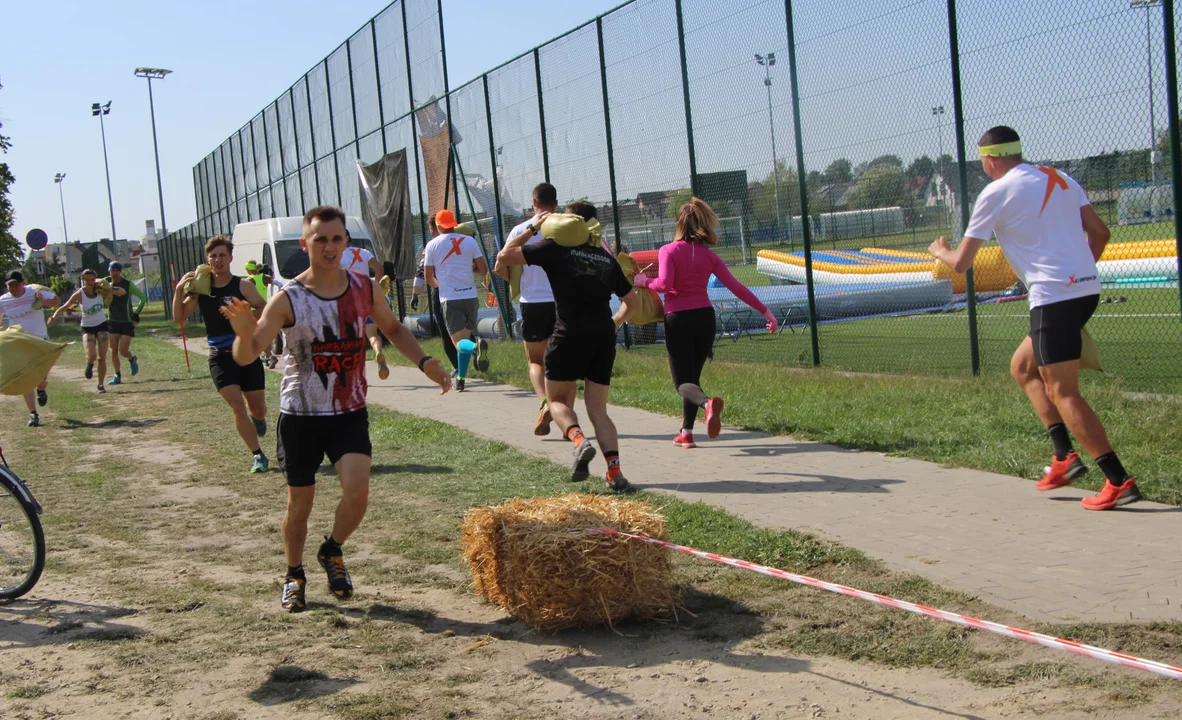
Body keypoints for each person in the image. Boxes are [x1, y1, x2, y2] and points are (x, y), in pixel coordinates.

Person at [218, 205, 451, 613]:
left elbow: (393, 328)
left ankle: (332, 550)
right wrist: (242, 333)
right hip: (300, 416)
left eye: (336, 238)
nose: (329, 246)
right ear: (305, 244)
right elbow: (247, 354)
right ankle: (294, 574)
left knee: (357, 493)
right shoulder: (287, 298)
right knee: (300, 506)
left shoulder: (364, 287)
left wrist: (426, 362)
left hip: (348, 411)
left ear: (347, 242)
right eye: (320, 239)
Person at [928, 126, 1135, 511]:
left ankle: (1118, 479)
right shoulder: (1059, 177)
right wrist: (1077, 273)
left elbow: (962, 263)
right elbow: (1100, 233)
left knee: (1064, 391)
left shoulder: (995, 192)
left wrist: (939, 250)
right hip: (1084, 289)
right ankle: (1064, 458)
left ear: (989, 159)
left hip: (1054, 297)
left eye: (982, 161)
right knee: (1023, 367)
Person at [495, 213, 640, 494]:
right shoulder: (603, 256)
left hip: (567, 335)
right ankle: (616, 472)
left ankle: (578, 441)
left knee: (557, 400)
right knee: (599, 410)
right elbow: (631, 302)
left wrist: (533, 228)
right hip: (602, 336)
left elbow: (505, 256)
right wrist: (615, 323)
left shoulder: (552, 249)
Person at [618, 198, 778, 449]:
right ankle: (687, 432)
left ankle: (707, 405)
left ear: (679, 224)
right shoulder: (709, 257)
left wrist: (642, 281)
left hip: (678, 319)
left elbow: (665, 285)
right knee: (692, 377)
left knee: (682, 383)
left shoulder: (668, 250)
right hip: (705, 318)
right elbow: (737, 287)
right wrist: (767, 311)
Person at [172, 235, 271, 474]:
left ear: (230, 258)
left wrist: (247, 320)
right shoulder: (200, 290)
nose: (218, 260)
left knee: (257, 408)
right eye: (213, 256)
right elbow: (179, 317)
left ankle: (258, 418)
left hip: (246, 353)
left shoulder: (242, 285)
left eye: (222, 255)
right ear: (207, 260)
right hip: (219, 356)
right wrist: (178, 291)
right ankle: (258, 455)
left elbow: (263, 307)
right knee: (237, 406)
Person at [496, 183, 559, 435]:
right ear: (555, 203)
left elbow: (501, 266)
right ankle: (567, 419)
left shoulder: (520, 230)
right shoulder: (565, 228)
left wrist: (518, 281)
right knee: (562, 362)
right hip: (562, 302)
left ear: (534, 202)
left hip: (532, 303)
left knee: (535, 359)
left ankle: (544, 402)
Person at [424, 209, 489, 391]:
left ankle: (476, 348)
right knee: (464, 341)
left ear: (438, 226)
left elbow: (429, 277)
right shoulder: (469, 241)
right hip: (471, 297)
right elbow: (483, 269)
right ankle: (460, 379)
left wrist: (439, 285)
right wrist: (471, 270)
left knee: (459, 343)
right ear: (453, 223)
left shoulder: (432, 245)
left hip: (450, 298)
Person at [0, 271, 61, 426]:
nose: (13, 288)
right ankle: (33, 413)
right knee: (25, 377)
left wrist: (43, 301)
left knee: (40, 379)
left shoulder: (35, 292)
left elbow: (56, 301)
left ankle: (41, 388)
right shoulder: (3, 300)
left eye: (16, 284)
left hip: (39, 341)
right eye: (10, 285)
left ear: (23, 283)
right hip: (19, 343)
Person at [49, 269, 121, 394]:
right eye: (87, 280)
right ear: (83, 280)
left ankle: (100, 385)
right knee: (92, 355)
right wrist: (54, 317)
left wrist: (110, 289)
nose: (90, 282)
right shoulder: (79, 294)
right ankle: (89, 363)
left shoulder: (100, 290)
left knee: (102, 357)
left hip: (102, 324)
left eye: (92, 279)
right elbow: (64, 306)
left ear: (95, 280)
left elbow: (121, 292)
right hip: (87, 326)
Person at [339, 233, 391, 381]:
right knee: (373, 334)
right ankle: (378, 352)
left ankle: (357, 374)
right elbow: (380, 269)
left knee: (352, 338)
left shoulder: (339, 257)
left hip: (351, 299)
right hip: (368, 297)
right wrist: (375, 284)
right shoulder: (363, 252)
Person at [412, 221, 459, 373]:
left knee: (445, 331)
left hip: (442, 291)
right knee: (463, 327)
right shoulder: (462, 241)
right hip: (465, 290)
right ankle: (474, 346)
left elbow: (421, 272)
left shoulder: (432, 246)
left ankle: (457, 367)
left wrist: (415, 294)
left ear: (433, 228)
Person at [105, 262, 146, 386]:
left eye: (117, 270)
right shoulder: (105, 282)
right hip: (112, 320)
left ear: (120, 271)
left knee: (123, 351)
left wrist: (136, 313)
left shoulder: (127, 284)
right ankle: (117, 375)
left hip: (126, 321)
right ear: (109, 271)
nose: (114, 273)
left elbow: (142, 298)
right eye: (112, 270)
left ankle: (132, 359)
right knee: (113, 350)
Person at [245, 260, 278, 369]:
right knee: (262, 333)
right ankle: (267, 356)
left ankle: (269, 355)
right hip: (264, 308)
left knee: (254, 335)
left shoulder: (249, 281)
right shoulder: (264, 277)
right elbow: (276, 282)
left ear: (247, 269)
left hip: (254, 310)